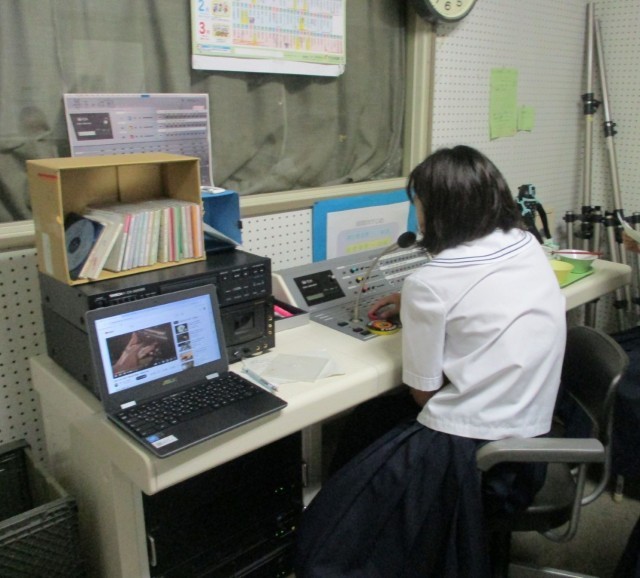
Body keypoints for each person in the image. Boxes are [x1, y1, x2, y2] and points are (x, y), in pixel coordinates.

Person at [294, 145, 567, 577]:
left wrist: (419, 302)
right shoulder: (524, 243)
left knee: (333, 528)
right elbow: (482, 295)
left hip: (475, 455)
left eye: (418, 204)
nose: (416, 215)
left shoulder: (432, 281)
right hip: (530, 439)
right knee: (368, 421)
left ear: (438, 210)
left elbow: (423, 394)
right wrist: (412, 302)